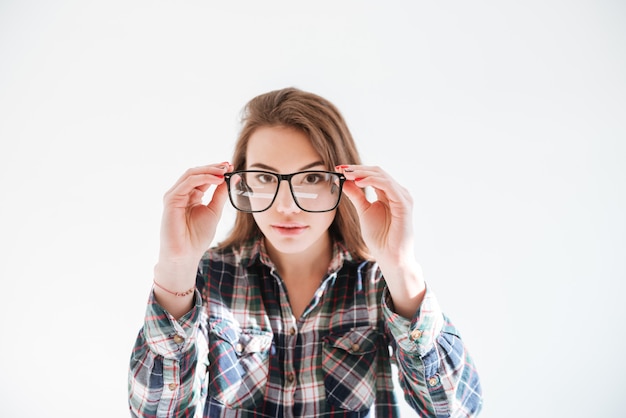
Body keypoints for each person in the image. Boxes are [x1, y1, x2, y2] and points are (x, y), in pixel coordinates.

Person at [128, 87, 483, 417]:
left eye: (311, 179)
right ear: (243, 183)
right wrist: (176, 265)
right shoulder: (207, 279)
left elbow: (456, 409)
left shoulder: (379, 283)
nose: (286, 206)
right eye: (266, 178)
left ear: (343, 183)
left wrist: (401, 267)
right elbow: (156, 412)